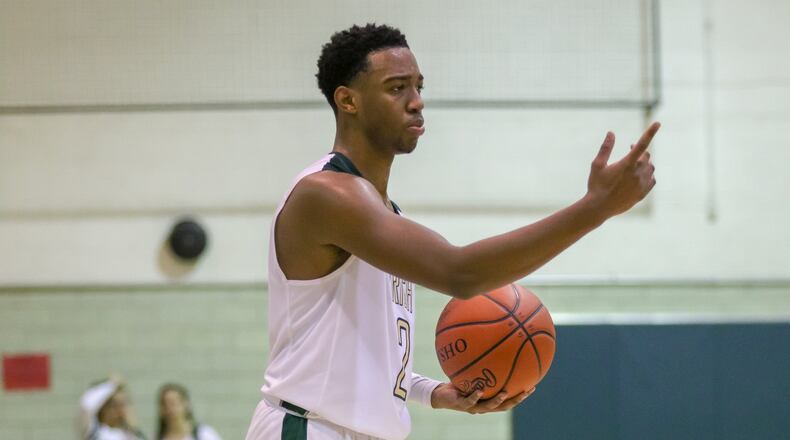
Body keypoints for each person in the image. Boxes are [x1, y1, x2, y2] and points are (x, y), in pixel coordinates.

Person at [245, 23, 659, 440]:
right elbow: (460, 274)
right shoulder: (327, 194)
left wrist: (432, 392)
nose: (417, 102)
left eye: (419, 86)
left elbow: (365, 354)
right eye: (397, 88)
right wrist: (595, 209)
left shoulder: (384, 214)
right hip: (308, 428)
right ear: (347, 100)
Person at [79, 375, 147, 440]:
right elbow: (87, 403)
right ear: (103, 409)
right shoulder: (97, 432)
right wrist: (111, 384)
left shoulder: (135, 435)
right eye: (115, 405)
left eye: (123, 404)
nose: (120, 410)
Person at [156, 383, 222, 440]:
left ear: (186, 405)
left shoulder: (204, 434)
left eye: (173, 403)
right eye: (164, 404)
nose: (170, 409)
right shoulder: (158, 437)